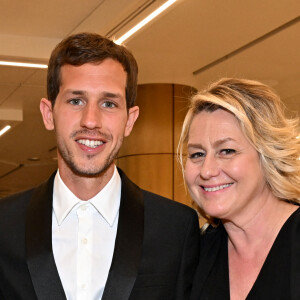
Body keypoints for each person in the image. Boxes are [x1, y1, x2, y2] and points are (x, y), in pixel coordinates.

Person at [0, 32, 200, 300]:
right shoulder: (4, 225)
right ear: (49, 114)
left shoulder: (176, 229)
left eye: (108, 103)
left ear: (129, 120)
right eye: (76, 101)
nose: (91, 121)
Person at [178, 78, 300, 299]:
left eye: (226, 151)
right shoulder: (195, 256)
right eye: (197, 154)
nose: (207, 170)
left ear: (268, 154)